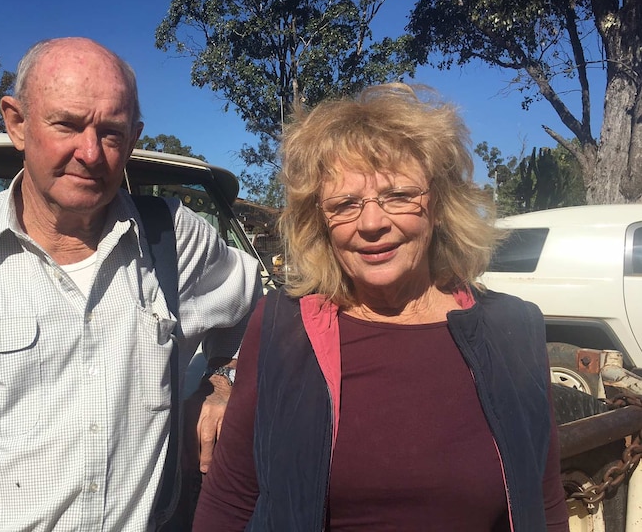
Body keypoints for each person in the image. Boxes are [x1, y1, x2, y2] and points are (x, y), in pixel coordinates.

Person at [0, 37, 262, 531]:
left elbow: (266, 315)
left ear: (133, 138)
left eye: (112, 132)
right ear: (17, 122)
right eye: (67, 124)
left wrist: (223, 382)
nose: (91, 152)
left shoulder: (175, 239)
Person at [193, 83, 570, 531]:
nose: (372, 223)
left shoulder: (514, 331)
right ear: (321, 220)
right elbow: (231, 500)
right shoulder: (282, 325)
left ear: (440, 204)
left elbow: (543, 505)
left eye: (398, 195)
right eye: (346, 204)